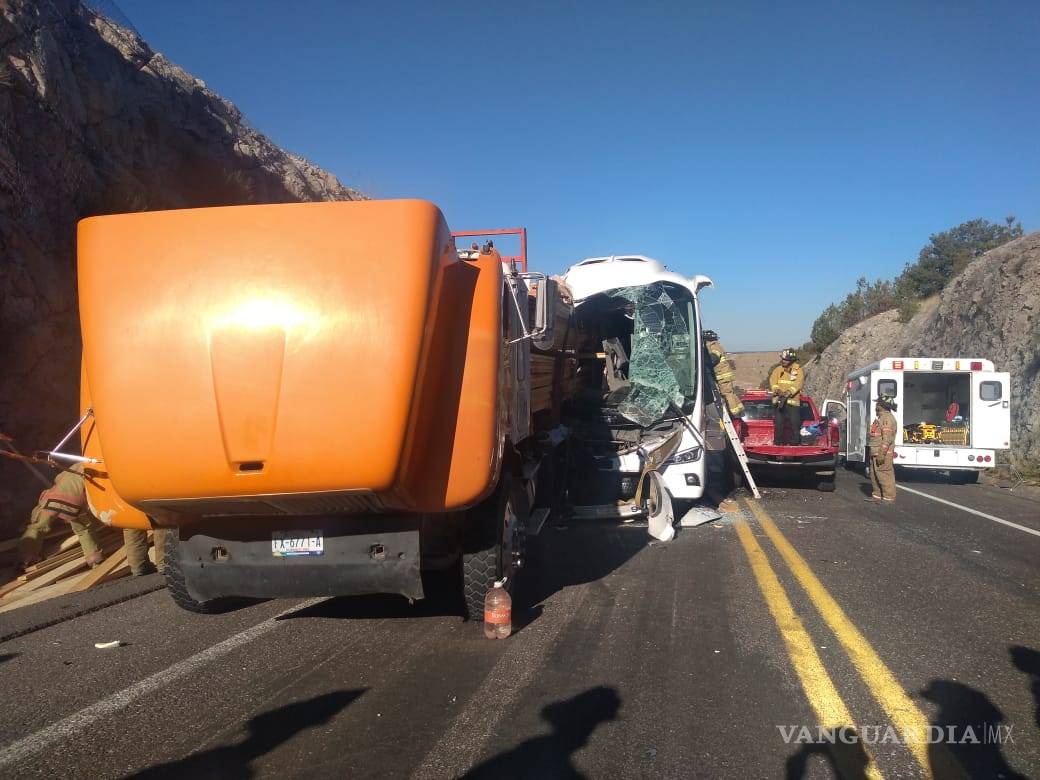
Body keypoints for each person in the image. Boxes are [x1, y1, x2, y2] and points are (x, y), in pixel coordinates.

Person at [18, 463, 104, 568]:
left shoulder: (75, 465)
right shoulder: (99, 468)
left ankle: (26, 558)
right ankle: (95, 561)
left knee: (37, 527)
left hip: (51, 499)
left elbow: (58, 478)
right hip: (74, 502)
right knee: (83, 530)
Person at [702, 329, 744, 418]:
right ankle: (740, 410)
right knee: (730, 393)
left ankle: (735, 413)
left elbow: (714, 359)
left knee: (727, 394)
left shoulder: (714, 346)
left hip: (722, 376)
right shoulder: (716, 345)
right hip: (724, 376)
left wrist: (704, 361)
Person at [768, 348, 804, 445]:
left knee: (795, 426)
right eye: (783, 359)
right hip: (780, 403)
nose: (783, 361)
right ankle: (777, 444)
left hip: (793, 404)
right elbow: (772, 381)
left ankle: (795, 445)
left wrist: (788, 393)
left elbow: (798, 384)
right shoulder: (777, 370)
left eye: (785, 359)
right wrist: (776, 390)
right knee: (778, 425)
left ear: (791, 360)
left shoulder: (798, 370)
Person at [867, 394, 898, 502]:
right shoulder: (881, 418)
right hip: (874, 452)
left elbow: (887, 439)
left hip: (882, 454)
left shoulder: (887, 419)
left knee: (884, 475)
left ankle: (888, 498)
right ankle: (877, 496)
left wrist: (881, 454)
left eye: (878, 403)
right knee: (874, 475)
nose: (876, 405)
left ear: (884, 405)